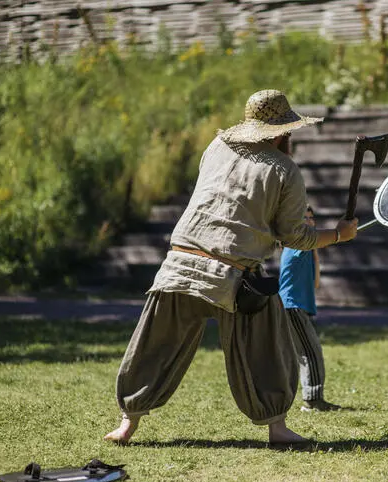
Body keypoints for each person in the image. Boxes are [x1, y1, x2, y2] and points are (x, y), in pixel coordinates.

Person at [104, 89, 358, 445]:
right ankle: (277, 428)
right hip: (233, 276)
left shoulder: (217, 147)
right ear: (284, 131)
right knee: (269, 344)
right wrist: (338, 234)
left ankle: (128, 423)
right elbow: (294, 237)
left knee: (153, 345)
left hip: (180, 263)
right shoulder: (285, 169)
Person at [278, 206, 342, 412]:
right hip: (292, 306)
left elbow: (315, 283)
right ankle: (313, 400)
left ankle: (310, 398)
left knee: (304, 353)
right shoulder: (296, 244)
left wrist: (315, 252)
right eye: (303, 218)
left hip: (297, 307)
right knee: (310, 352)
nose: (309, 221)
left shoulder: (307, 250)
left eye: (311, 218)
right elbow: (321, 240)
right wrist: (341, 234)